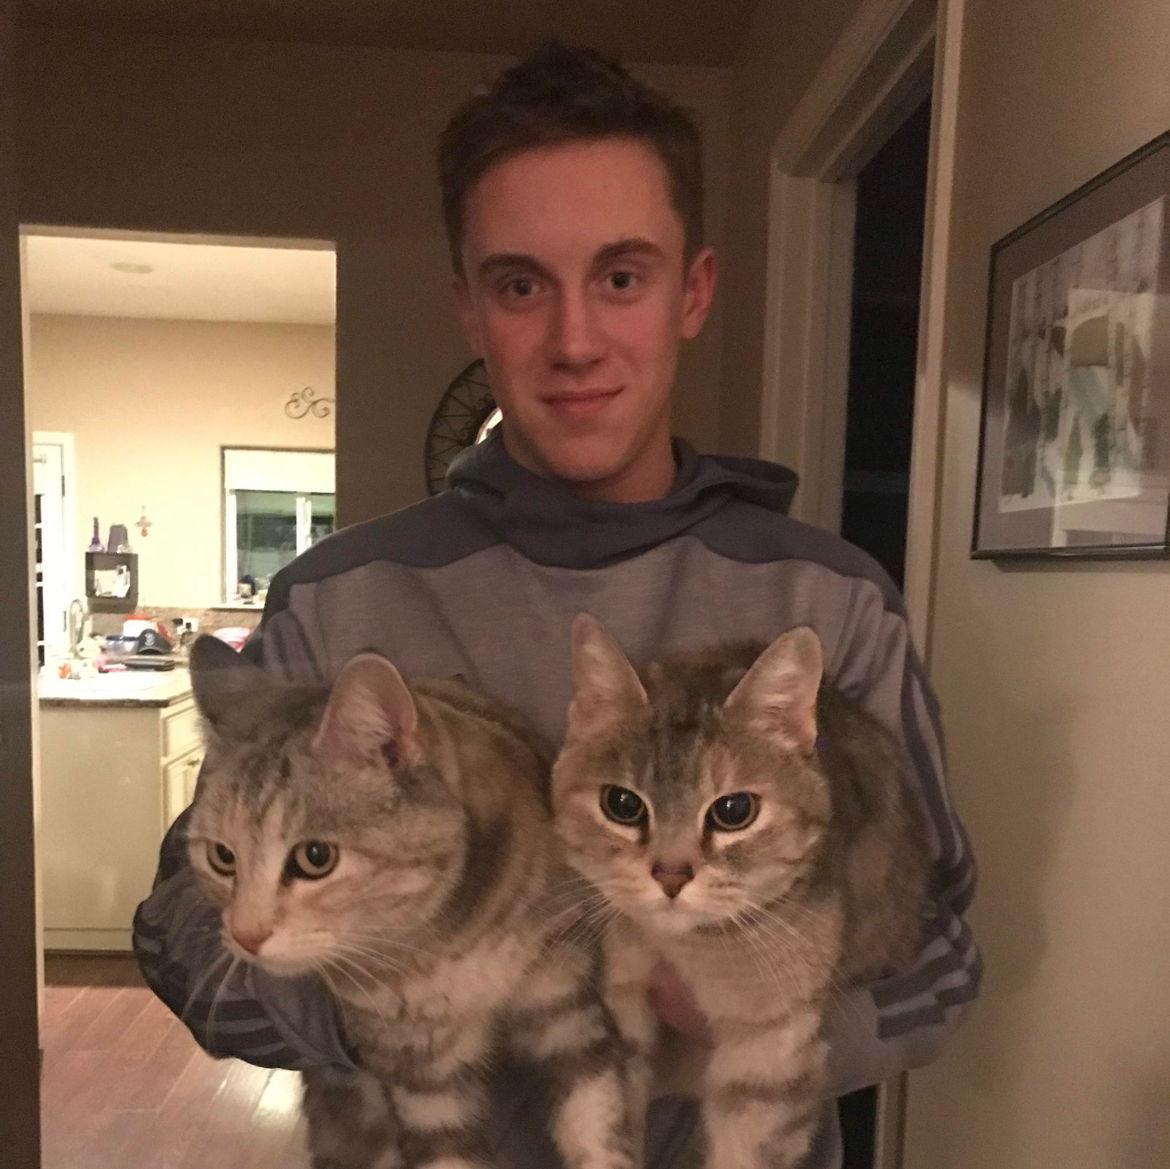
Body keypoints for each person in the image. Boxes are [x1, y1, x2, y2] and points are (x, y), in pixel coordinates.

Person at [134, 42, 980, 1169]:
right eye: (522, 285)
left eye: (622, 277)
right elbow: (176, 936)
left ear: (694, 292)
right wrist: (381, 984)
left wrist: (754, 1017)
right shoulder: (338, 601)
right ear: (469, 310)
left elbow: (946, 956)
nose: (574, 341)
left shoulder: (829, 599)